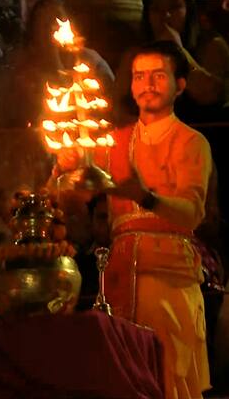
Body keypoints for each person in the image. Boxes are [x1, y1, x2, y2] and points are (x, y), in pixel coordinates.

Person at [54, 41, 212, 398]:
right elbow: (71, 197)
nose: (147, 84)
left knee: (170, 375)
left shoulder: (191, 142)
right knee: (123, 379)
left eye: (158, 75)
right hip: (119, 274)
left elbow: (191, 214)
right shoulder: (113, 142)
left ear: (180, 85)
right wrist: (62, 168)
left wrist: (145, 196)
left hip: (168, 275)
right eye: (139, 76)